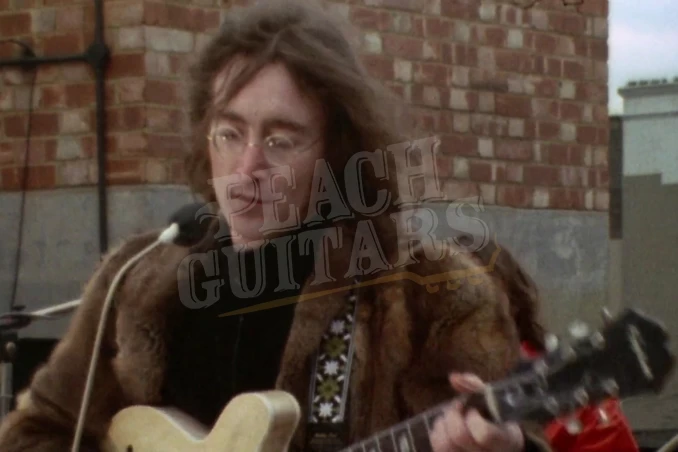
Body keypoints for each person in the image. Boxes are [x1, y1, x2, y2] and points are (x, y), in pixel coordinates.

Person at [0, 1, 553, 451]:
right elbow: (37, 431)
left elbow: (514, 432)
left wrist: (505, 448)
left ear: (337, 151)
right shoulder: (138, 276)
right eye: (229, 134)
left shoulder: (430, 292)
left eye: (280, 141)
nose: (247, 169)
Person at [472, 241, 640, 452]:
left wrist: (524, 447)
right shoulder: (433, 395)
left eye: (477, 296)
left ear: (513, 303)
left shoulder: (575, 391)